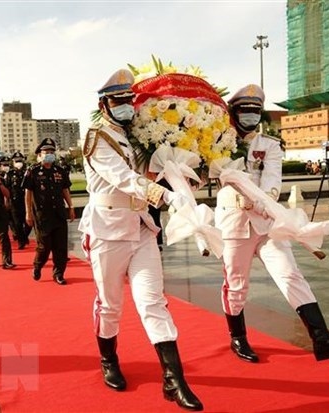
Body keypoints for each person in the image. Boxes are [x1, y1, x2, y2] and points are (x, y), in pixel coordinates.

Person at [78, 68, 203, 411]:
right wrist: (164, 197)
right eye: (119, 102)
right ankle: (108, 360)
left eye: (129, 102)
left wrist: (182, 177)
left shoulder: (134, 137)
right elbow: (123, 179)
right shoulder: (96, 138)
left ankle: (174, 381)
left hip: (140, 228)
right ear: (104, 105)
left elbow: (147, 172)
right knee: (111, 306)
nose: (127, 108)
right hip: (107, 231)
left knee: (153, 302)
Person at [215, 84, 329, 364]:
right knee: (236, 285)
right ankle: (238, 338)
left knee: (290, 274)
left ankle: (322, 339)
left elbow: (272, 181)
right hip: (234, 224)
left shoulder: (269, 145)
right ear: (234, 113)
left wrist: (263, 202)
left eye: (255, 111)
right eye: (245, 111)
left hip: (269, 222)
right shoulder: (218, 143)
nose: (251, 116)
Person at [23, 138, 75, 285]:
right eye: (47, 152)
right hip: (42, 216)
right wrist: (28, 213)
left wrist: (70, 207)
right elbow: (28, 194)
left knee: (60, 246)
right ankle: (38, 266)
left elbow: (65, 189)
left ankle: (59, 273)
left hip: (58, 213)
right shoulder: (32, 171)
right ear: (39, 154)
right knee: (44, 246)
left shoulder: (60, 171)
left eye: (52, 152)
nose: (50, 154)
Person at [7, 151, 31, 249]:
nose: (18, 162)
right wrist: (7, 201)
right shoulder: (10, 174)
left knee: (29, 223)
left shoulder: (28, 172)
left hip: (26, 201)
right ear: (13, 162)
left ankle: (24, 236)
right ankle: (21, 241)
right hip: (15, 201)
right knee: (17, 223)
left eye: (20, 161)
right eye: (16, 161)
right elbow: (7, 188)